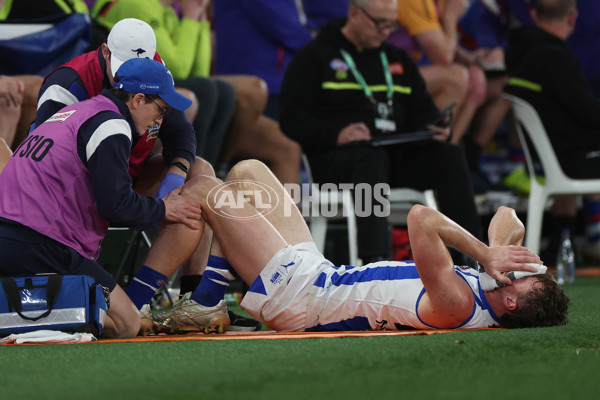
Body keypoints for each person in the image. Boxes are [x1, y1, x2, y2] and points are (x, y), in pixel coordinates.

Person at [153, 159, 570, 333]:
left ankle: (182, 298)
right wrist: (497, 252)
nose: (518, 271)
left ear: (511, 303)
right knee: (247, 173)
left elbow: (421, 218)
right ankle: (210, 299)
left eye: (522, 280)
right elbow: (507, 218)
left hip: (301, 300)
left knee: (208, 187)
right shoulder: (492, 288)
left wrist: (484, 254)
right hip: (320, 276)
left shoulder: (458, 304)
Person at [33, 18, 262, 331]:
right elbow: (44, 162)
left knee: (200, 177)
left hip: (126, 179)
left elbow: (182, 133)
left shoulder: (154, 69)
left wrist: (174, 180)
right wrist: (157, 204)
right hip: (75, 191)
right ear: (104, 52)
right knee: (179, 198)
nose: (131, 75)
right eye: (125, 65)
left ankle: (195, 302)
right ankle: (134, 301)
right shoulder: (67, 85)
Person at [0, 58, 203, 338]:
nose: (160, 121)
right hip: (45, 243)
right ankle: (31, 319)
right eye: (160, 110)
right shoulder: (111, 124)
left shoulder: (75, 111)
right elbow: (117, 205)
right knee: (126, 324)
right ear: (138, 99)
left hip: (11, 236)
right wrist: (163, 208)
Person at [279, 0, 482, 264]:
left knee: (448, 155)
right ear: (355, 13)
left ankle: (472, 260)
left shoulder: (397, 58)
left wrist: (435, 126)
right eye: (380, 23)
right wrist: (336, 134)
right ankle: (374, 261)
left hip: (393, 154)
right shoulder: (315, 56)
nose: (386, 31)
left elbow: (423, 111)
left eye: (392, 24)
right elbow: (291, 119)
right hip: (338, 160)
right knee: (369, 158)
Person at [93, 0, 302, 186]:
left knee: (222, 90)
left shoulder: (168, 11)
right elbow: (174, 69)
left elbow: (198, 71)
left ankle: (214, 168)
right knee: (206, 92)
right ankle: (197, 176)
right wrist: (192, 19)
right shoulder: (135, 4)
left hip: (160, 85)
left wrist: (200, 19)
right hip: (127, 92)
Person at [504, 0, 600, 262]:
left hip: (551, 154)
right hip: (568, 157)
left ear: (533, 14)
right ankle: (585, 237)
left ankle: (561, 241)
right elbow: (588, 114)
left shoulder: (521, 52)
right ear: (572, 19)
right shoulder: (555, 56)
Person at [389, 0, 488, 146]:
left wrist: (473, 64)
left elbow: (444, 40)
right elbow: (445, 56)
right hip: (383, 74)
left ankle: (451, 152)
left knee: (474, 80)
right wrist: (450, 17)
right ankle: (430, 152)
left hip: (409, 71)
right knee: (456, 78)